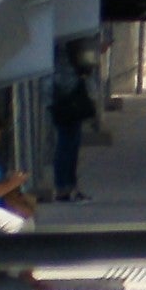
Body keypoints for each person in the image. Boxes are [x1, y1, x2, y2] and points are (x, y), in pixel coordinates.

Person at [46, 43, 102, 202]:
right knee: (67, 144)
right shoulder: (65, 42)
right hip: (66, 98)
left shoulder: (58, 43)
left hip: (60, 97)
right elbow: (73, 69)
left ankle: (67, 187)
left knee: (69, 143)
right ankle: (65, 187)